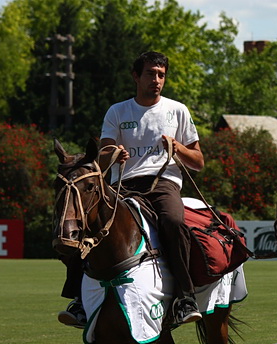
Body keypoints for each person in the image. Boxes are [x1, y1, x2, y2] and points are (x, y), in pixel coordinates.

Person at [58, 51, 204, 328]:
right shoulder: (117, 111)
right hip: (122, 185)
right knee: (87, 222)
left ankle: (185, 298)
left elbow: (198, 161)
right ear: (136, 76)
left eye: (161, 75)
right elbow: (101, 157)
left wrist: (178, 148)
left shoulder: (177, 110)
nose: (156, 80)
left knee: (173, 221)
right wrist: (113, 154)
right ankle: (79, 301)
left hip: (163, 183)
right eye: (150, 74)